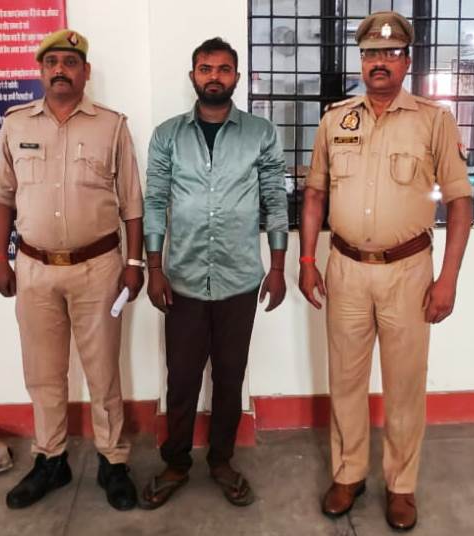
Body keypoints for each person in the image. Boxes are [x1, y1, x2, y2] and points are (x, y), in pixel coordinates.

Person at [298, 12, 472, 531]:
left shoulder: (433, 120)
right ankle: (348, 474)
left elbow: (459, 203)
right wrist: (307, 261)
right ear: (362, 60)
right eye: (372, 53)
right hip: (346, 270)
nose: (380, 62)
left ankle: (401, 485)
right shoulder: (336, 120)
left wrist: (448, 279)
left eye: (391, 53)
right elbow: (314, 195)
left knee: (405, 385)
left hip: (409, 273)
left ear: (407, 61)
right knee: (346, 379)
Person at [0, 29, 144, 511]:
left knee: (103, 372)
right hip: (34, 269)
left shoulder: (111, 126)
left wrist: (134, 262)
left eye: (70, 62)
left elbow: (132, 203)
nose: (60, 70)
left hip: (98, 268)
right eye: (52, 62)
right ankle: (51, 459)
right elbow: (3, 197)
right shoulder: (15, 124)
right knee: (43, 373)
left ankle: (112, 460)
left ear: (85, 72)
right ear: (41, 71)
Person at [140, 37, 288, 509]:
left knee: (229, 376)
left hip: (239, 280)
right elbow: (155, 201)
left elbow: (275, 199)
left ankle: (222, 460)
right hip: (181, 279)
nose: (214, 77)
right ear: (193, 76)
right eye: (206, 69)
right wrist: (154, 268)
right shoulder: (167, 135)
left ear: (236, 78)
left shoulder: (260, 133)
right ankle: (176, 463)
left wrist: (278, 266)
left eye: (224, 69)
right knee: (182, 378)